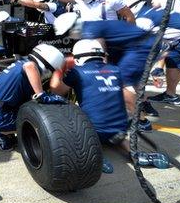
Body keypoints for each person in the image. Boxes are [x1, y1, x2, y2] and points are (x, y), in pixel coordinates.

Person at [50, 39, 169, 173]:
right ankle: (133, 152)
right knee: (116, 129)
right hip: (120, 129)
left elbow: (56, 90)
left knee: (66, 115)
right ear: (102, 55)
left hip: (94, 133)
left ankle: (93, 154)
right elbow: (130, 97)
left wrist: (59, 70)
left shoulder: (77, 72)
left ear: (77, 57)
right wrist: (140, 118)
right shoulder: (115, 70)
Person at [53, 11, 155, 131]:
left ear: (73, 28)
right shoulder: (91, 26)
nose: (68, 37)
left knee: (120, 84)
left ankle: (141, 120)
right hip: (139, 45)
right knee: (131, 83)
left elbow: (101, 59)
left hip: (139, 47)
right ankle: (139, 110)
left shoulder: (90, 32)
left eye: (67, 34)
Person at [123, 0, 180, 107]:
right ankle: (170, 95)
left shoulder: (143, 19)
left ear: (132, 8)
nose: (123, 16)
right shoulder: (152, 11)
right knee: (173, 64)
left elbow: (140, 46)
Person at [0, 44, 66, 150]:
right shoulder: (29, 66)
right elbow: (30, 67)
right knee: (38, 124)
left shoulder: (20, 63)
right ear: (47, 66)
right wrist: (41, 94)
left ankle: (5, 131)